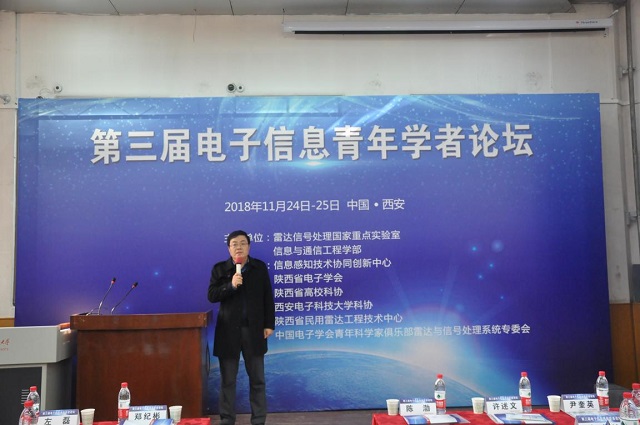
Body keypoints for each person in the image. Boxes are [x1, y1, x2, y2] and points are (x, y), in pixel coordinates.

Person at [208, 230, 276, 425]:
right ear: (229, 249)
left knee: (257, 380)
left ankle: (258, 420)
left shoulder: (259, 268)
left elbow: (267, 297)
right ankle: (227, 420)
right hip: (228, 332)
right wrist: (230, 285)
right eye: (234, 244)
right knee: (228, 381)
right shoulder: (220, 269)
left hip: (254, 331)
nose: (239, 247)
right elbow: (212, 295)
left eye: (243, 243)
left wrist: (269, 324)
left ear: (249, 246)